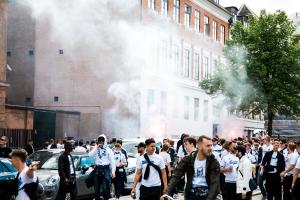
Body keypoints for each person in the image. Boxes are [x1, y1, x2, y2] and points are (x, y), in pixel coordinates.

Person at [164, 135, 220, 200]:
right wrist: (167, 192)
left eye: (211, 145)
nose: (211, 148)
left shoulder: (214, 162)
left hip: (208, 195)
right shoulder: (188, 159)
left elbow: (215, 183)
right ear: (199, 146)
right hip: (192, 195)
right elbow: (176, 176)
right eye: (208, 146)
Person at [89, 134, 116, 200]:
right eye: (99, 141)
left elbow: (113, 162)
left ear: (105, 141)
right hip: (97, 168)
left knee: (105, 188)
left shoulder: (109, 150)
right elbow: (90, 155)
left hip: (105, 169)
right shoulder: (96, 149)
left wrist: (113, 172)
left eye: (102, 141)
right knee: (96, 188)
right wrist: (96, 148)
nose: (101, 142)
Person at [257, 136, 273, 200]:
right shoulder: (262, 147)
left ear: (267, 140)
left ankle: (269, 194)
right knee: (259, 182)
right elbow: (261, 156)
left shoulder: (272, 147)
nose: (263, 140)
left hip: (269, 167)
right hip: (262, 166)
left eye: (264, 139)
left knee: (269, 182)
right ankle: (264, 194)